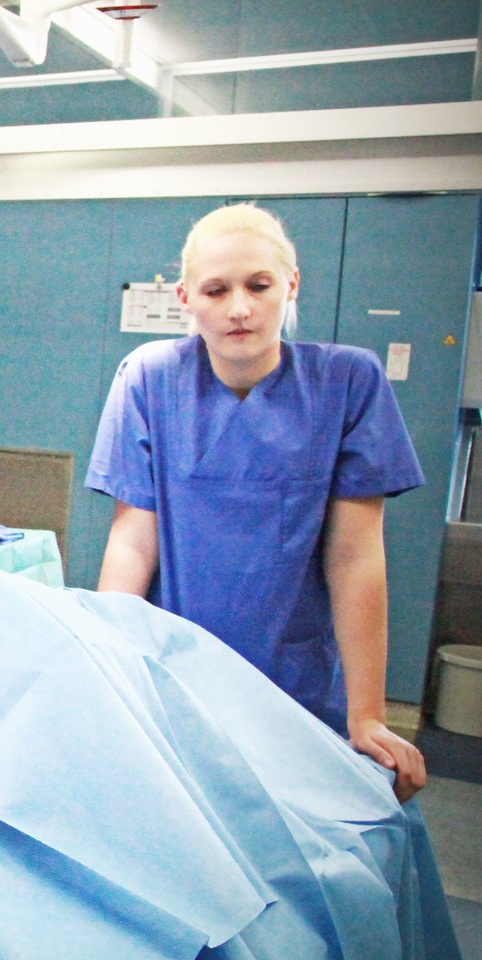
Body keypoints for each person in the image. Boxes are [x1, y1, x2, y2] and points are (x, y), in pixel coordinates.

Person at [87, 202, 427, 801]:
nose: (239, 308)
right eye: (216, 290)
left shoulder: (348, 383)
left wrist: (368, 713)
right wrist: (105, 672)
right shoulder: (148, 377)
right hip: (172, 675)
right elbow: (133, 542)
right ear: (186, 298)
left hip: (292, 686)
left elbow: (355, 560)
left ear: (291, 285)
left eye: (258, 285)